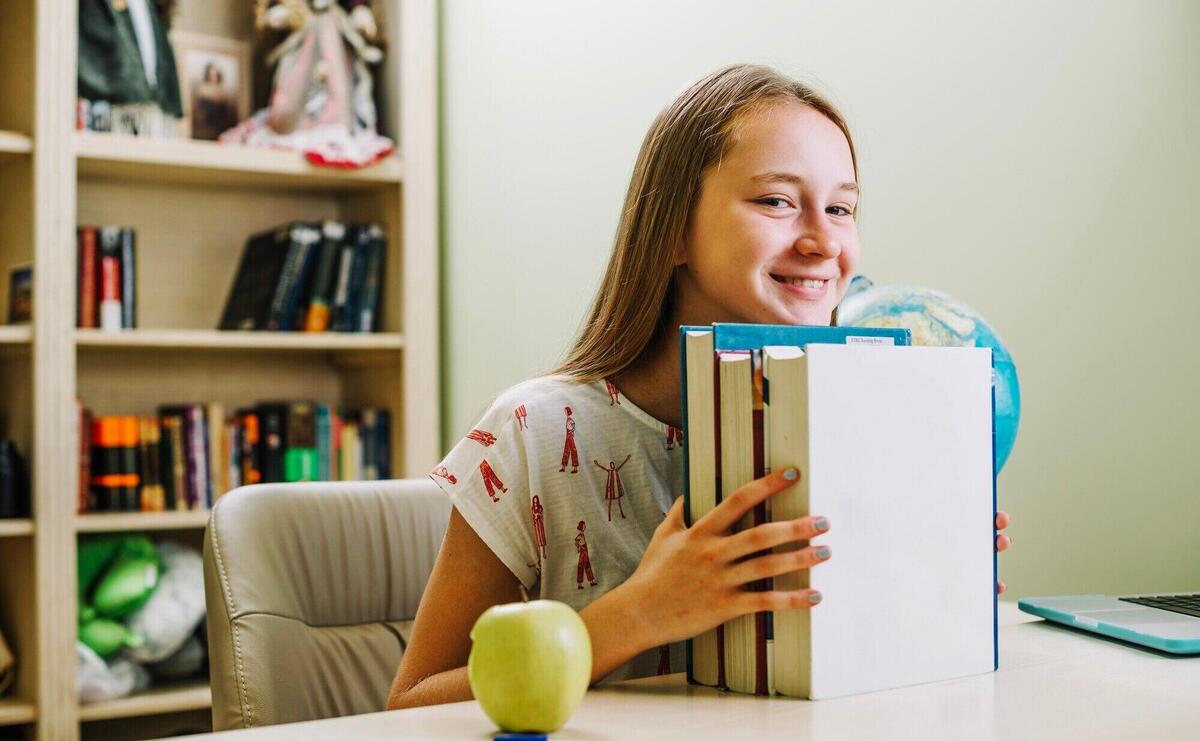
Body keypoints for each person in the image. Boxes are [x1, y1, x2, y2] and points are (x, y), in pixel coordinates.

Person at [387, 64, 1012, 709]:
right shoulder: (534, 432)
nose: (823, 241)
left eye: (842, 208)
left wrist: (925, 587)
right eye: (776, 201)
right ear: (674, 230)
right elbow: (407, 706)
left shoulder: (864, 424)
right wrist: (637, 615)